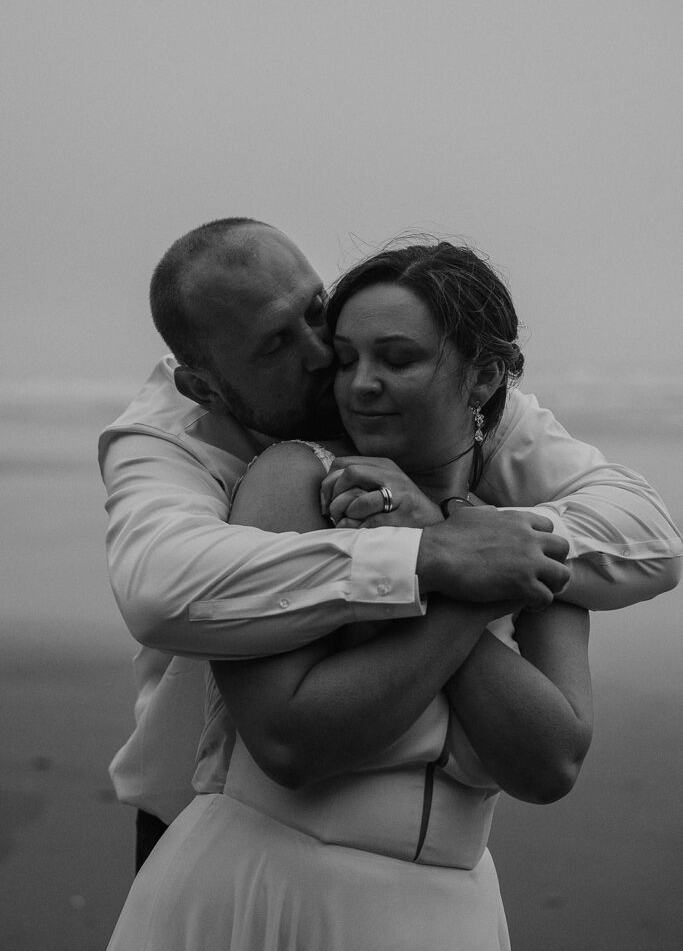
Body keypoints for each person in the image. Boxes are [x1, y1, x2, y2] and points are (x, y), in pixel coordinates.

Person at [80, 241, 595, 951]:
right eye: (348, 355)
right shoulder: (294, 475)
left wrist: (447, 525)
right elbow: (287, 741)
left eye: (396, 358)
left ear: (485, 376)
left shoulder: (528, 521)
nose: (351, 380)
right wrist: (450, 571)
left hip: (443, 931)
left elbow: (551, 761)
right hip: (264, 902)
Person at [98, 218, 681, 869]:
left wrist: (452, 529)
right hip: (200, 821)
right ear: (205, 386)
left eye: (315, 312)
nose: (324, 358)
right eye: (274, 347)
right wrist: (430, 555)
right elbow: (160, 592)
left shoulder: (466, 413)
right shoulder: (174, 439)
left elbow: (650, 537)